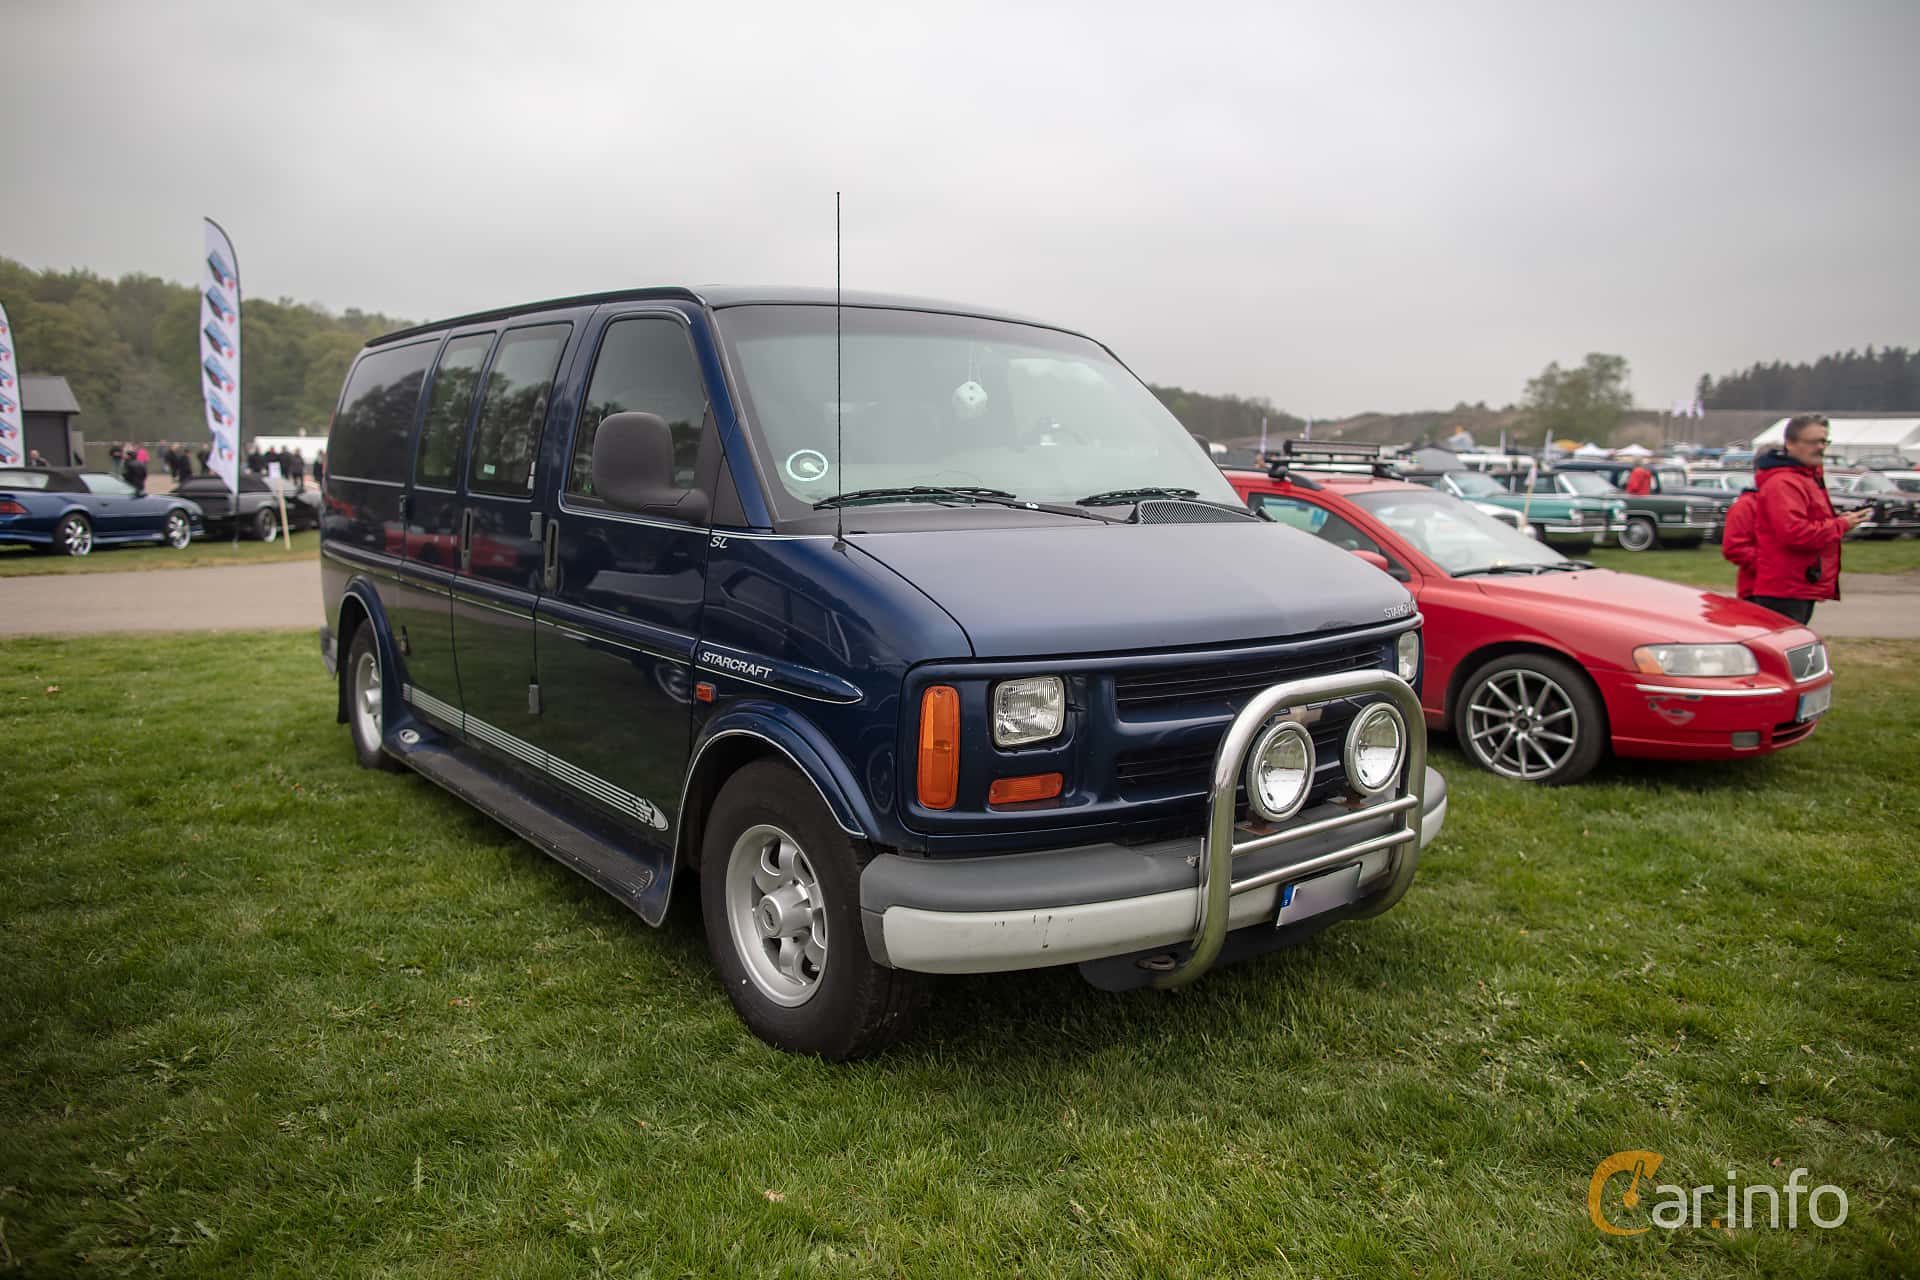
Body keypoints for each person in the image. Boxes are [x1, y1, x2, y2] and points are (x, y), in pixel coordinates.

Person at [1749, 414, 1870, 625]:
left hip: (1799, 584)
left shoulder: (1806, 478)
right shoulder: (1783, 483)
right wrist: (1840, 525)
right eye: (1813, 442)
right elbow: (1795, 533)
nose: (1821, 447)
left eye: (1824, 441)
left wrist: (1839, 522)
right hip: (1785, 589)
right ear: (1790, 444)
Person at [1720, 486, 1759, 599]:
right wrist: (1769, 567)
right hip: (1755, 589)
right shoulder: (1746, 505)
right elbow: (1735, 547)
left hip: (1798, 588)